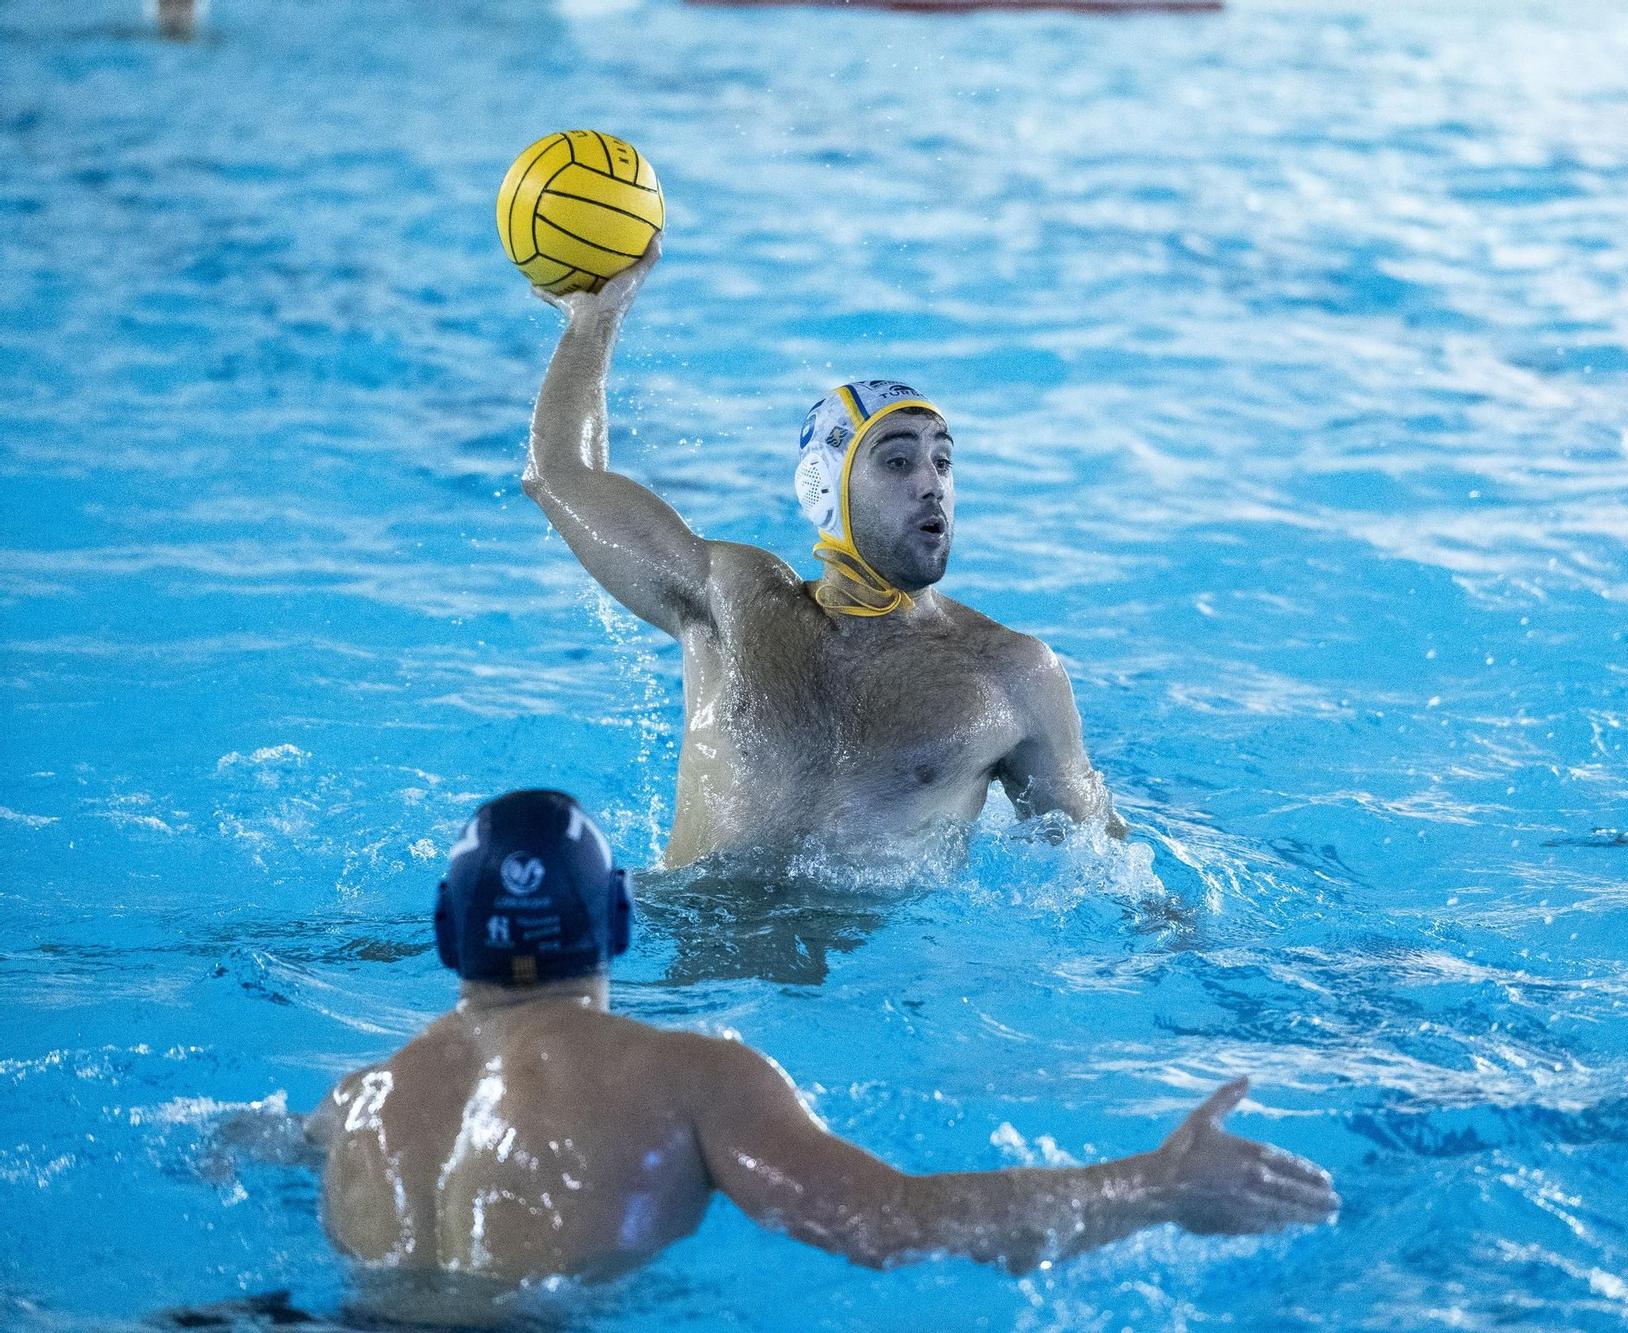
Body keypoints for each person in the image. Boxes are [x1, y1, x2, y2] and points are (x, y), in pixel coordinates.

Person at [303, 790, 1335, 1296]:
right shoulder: (693, 1076)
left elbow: (233, 1143)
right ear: (616, 919)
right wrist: (1154, 1184)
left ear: (446, 931)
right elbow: (877, 1225)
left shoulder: (353, 1102)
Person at [522, 242, 1122, 869]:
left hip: (869, 966)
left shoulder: (1012, 674)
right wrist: (596, 318)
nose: (931, 483)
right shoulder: (734, 600)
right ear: (823, 488)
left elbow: (1100, 864)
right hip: (685, 930)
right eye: (897, 461)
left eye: (943, 461)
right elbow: (559, 475)